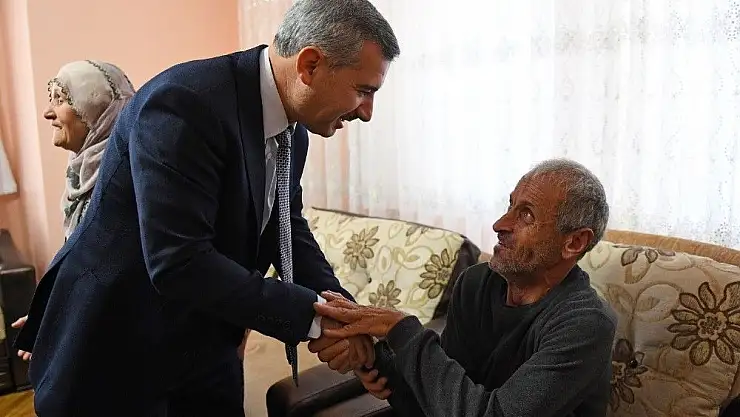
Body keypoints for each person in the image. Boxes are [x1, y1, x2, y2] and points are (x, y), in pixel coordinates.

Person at [14, 1, 399, 416]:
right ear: (309, 65)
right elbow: (180, 262)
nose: (367, 113)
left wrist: (348, 316)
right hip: (116, 355)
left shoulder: (293, 133)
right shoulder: (184, 104)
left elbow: (287, 227)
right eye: (364, 90)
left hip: (206, 349)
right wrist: (316, 320)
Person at [312, 158, 618, 417]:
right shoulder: (476, 283)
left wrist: (402, 330)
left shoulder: (587, 325)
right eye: (510, 206)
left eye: (526, 215)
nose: (500, 224)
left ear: (574, 242)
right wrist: (372, 358)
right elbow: (440, 404)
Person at [11, 59, 136, 361]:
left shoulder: (130, 179)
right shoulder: (80, 175)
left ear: (99, 110)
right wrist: (53, 313)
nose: (48, 112)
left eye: (61, 99)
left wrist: (64, 323)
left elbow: (120, 281)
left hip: (127, 349)